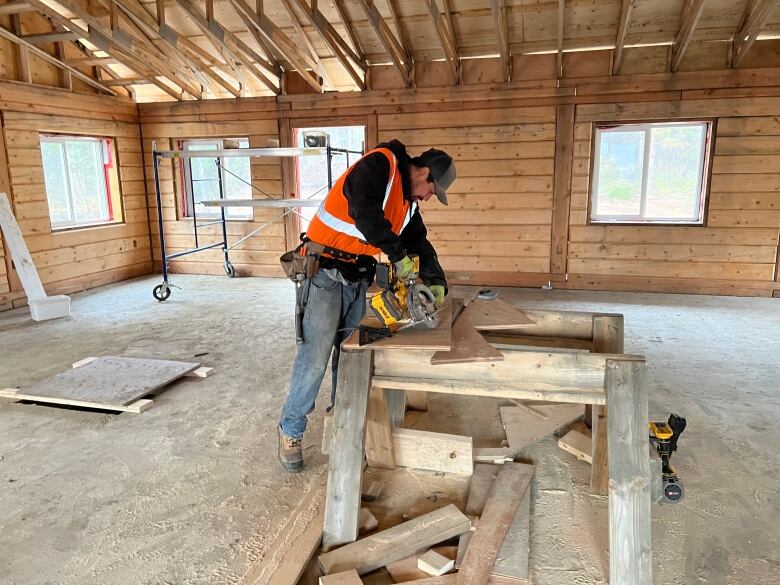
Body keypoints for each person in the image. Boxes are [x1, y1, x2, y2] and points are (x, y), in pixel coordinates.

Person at [277, 139, 456, 472]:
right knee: (315, 357)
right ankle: (291, 431)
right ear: (425, 173)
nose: (430, 197)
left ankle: (340, 425)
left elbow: (421, 244)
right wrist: (398, 255)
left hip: (358, 278)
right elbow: (365, 213)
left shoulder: (409, 206)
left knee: (350, 358)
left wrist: (436, 283)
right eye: (433, 190)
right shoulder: (380, 165)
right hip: (324, 272)